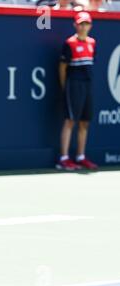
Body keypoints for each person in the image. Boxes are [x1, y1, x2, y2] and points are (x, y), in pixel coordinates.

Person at [57, 11, 98, 171]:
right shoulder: (69, 43)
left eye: (86, 23)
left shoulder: (92, 43)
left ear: (90, 26)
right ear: (75, 25)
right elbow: (62, 68)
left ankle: (80, 156)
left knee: (84, 122)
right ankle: (64, 158)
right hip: (73, 85)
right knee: (70, 121)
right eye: (81, 23)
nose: (83, 27)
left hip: (87, 85)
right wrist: (65, 86)